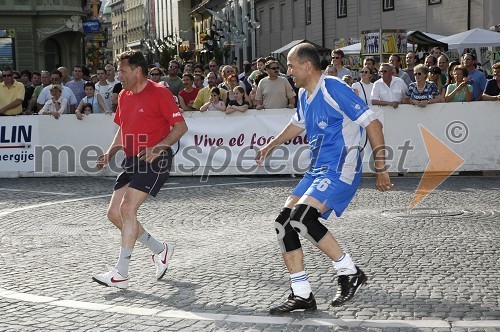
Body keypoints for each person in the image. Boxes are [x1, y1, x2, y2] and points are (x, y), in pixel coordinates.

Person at [255, 42, 392, 314]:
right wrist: (271, 144)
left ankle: (348, 271)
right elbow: (298, 124)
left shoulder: (333, 88)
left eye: (291, 66)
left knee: (302, 218)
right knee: (284, 224)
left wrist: (381, 166)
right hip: (317, 170)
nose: (289, 72)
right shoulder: (306, 95)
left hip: (340, 169)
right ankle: (302, 294)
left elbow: (372, 123)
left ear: (307, 66)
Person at [92, 50, 188, 289]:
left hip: (157, 159)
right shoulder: (124, 95)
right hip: (132, 160)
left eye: (122, 71)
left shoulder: (160, 93)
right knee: (114, 214)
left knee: (127, 208)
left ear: (137, 70)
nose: (119, 75)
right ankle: (160, 249)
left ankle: (121, 273)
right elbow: (123, 129)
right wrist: (111, 152)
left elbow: (180, 127)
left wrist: (159, 147)